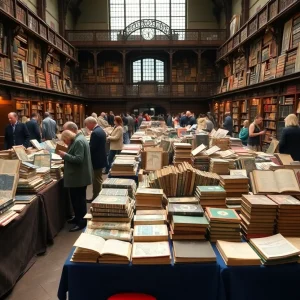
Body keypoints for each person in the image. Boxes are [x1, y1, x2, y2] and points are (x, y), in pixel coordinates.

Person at [59, 122, 93, 232]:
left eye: (65, 140)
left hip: (78, 177)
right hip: (78, 176)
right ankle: (78, 217)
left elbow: (78, 159)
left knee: (79, 201)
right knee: (76, 199)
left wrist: (65, 155)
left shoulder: (78, 141)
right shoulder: (79, 139)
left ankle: (81, 222)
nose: (65, 143)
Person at [85, 117, 107, 202]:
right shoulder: (100, 130)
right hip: (100, 157)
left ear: (91, 123)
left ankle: (96, 197)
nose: (87, 127)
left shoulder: (95, 133)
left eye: (87, 125)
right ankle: (97, 195)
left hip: (96, 159)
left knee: (96, 180)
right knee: (98, 179)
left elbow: (92, 148)